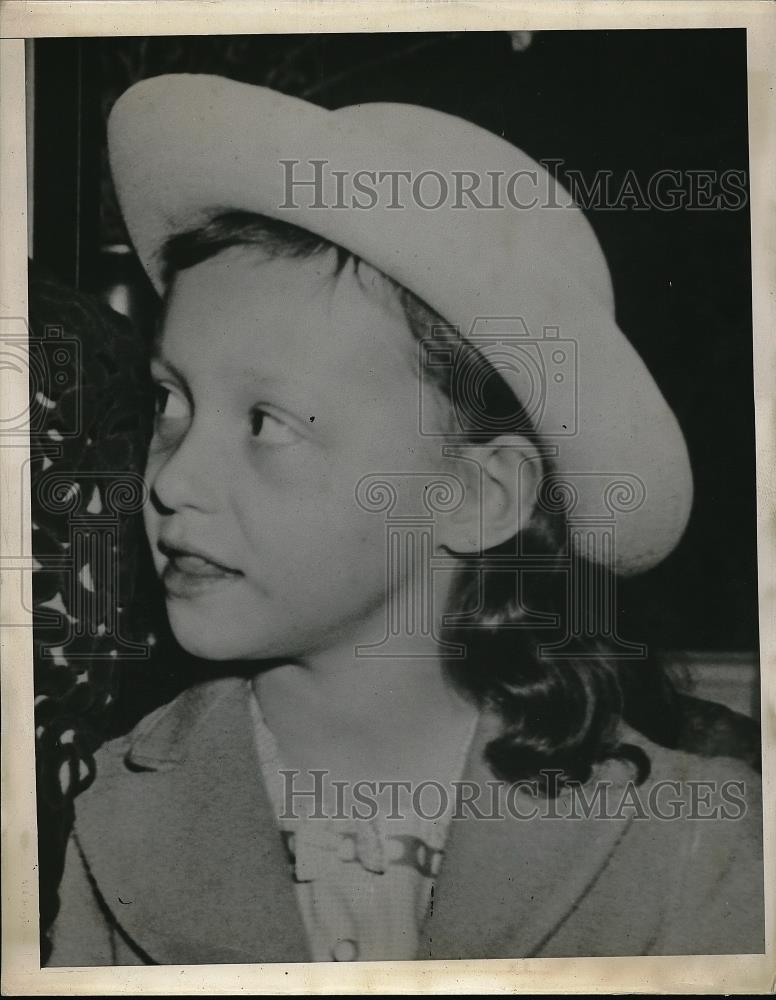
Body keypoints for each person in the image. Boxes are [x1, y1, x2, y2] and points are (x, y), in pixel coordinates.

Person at [46, 74, 763, 965]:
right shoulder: (114, 811)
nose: (172, 478)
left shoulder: (690, 849)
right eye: (171, 401)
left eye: (267, 422)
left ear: (476, 496)